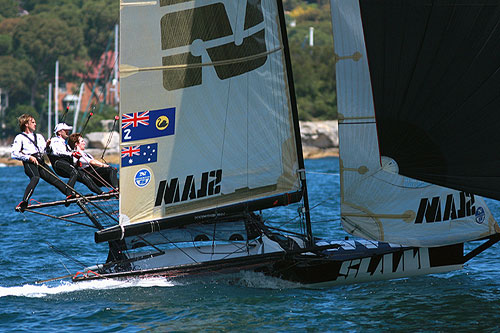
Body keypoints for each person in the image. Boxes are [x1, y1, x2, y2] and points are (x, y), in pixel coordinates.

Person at [11, 114, 68, 212]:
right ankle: (24, 201)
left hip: (41, 162)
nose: (35, 124)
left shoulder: (39, 136)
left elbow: (44, 151)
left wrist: (47, 146)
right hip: (30, 163)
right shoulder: (20, 138)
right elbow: (14, 154)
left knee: (56, 180)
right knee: (35, 177)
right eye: (33, 122)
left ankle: (70, 194)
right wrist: (29, 157)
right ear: (26, 124)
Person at [48, 123, 103, 197]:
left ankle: (100, 192)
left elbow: (69, 153)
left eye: (68, 130)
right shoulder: (55, 140)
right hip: (58, 163)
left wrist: (76, 156)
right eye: (65, 130)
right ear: (59, 132)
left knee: (84, 176)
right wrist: (72, 154)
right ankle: (68, 193)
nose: (68, 131)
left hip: (67, 163)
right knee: (74, 172)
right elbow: (57, 152)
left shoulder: (65, 144)